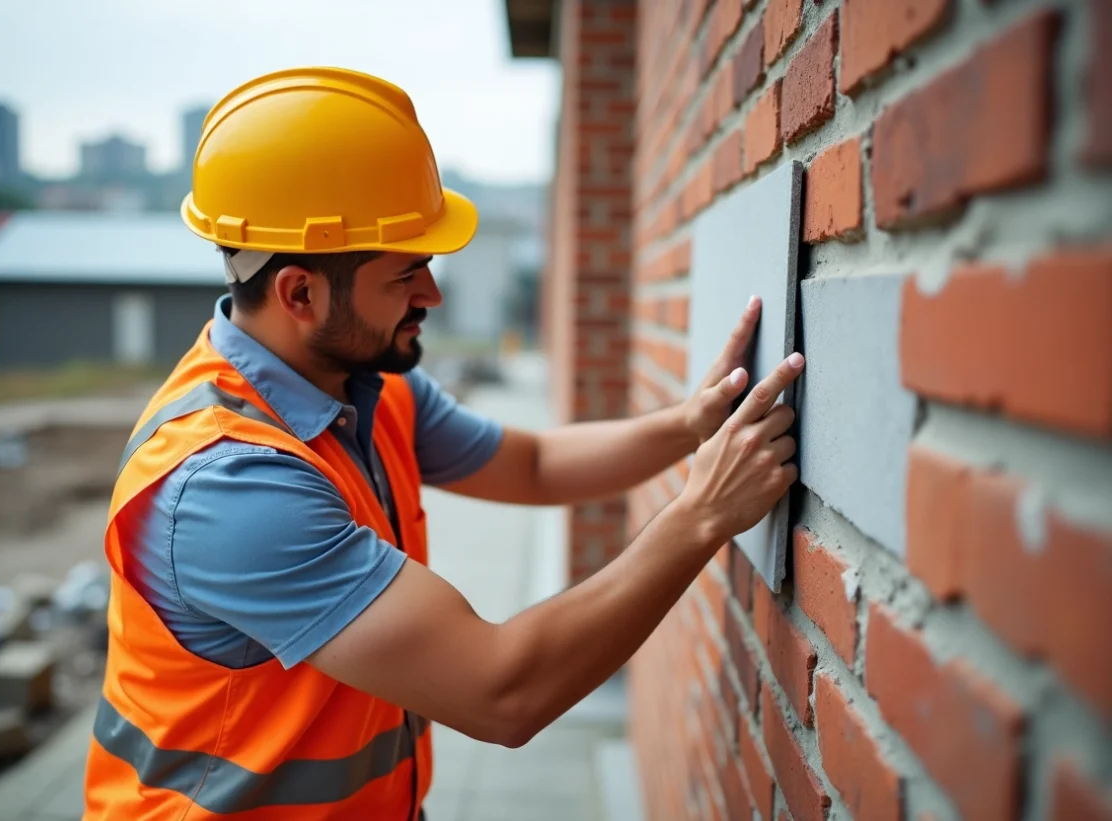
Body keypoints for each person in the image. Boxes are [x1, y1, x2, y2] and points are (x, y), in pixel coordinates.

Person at [81, 67, 804, 821]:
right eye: (407, 272)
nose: (433, 293)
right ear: (300, 293)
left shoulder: (363, 382)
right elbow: (502, 691)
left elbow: (534, 463)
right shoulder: (228, 488)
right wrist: (700, 516)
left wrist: (691, 422)